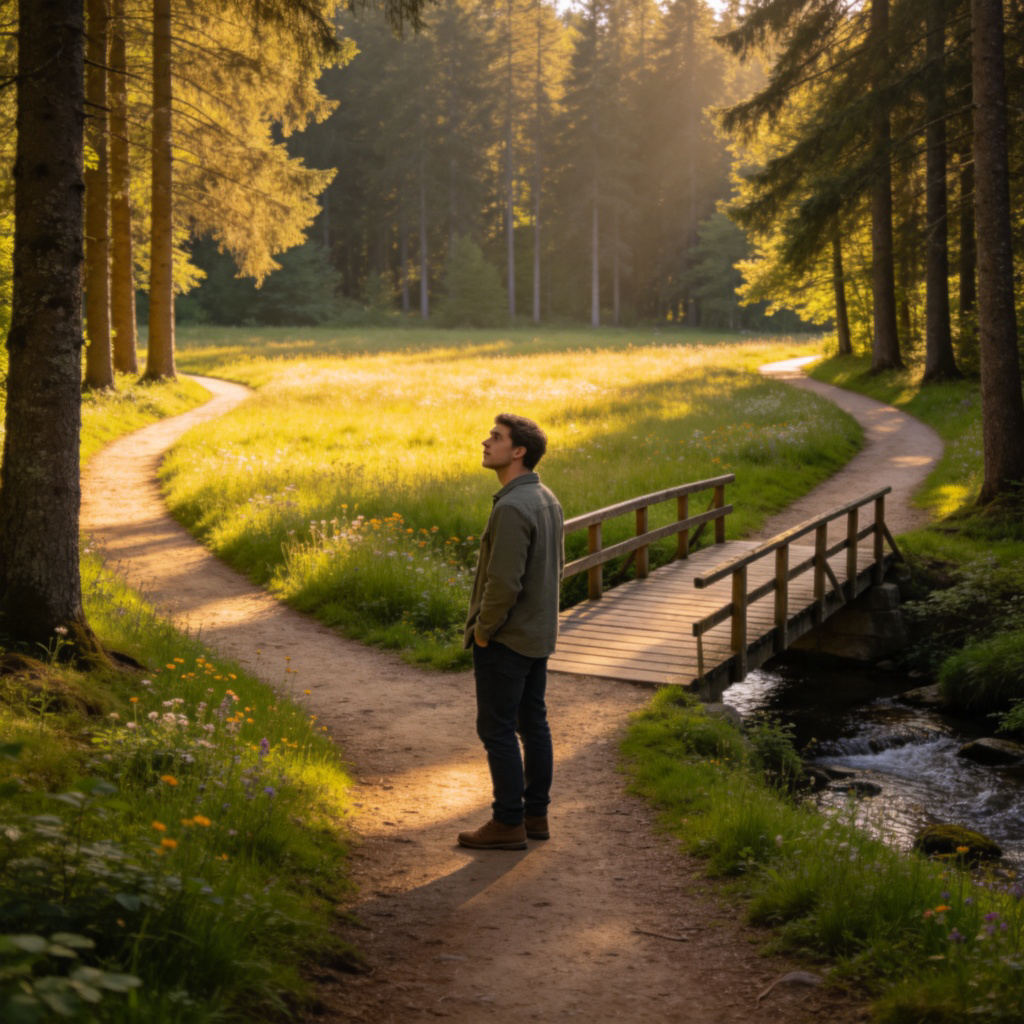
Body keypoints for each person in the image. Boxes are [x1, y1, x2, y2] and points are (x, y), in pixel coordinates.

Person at [458, 413, 564, 851]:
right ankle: (535, 816)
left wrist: (483, 632)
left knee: (497, 730)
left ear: (518, 451)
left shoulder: (513, 506)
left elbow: (504, 584)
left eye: (496, 438)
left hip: (507, 639)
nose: (486, 442)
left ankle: (508, 823)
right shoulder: (545, 497)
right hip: (536, 636)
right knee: (531, 723)